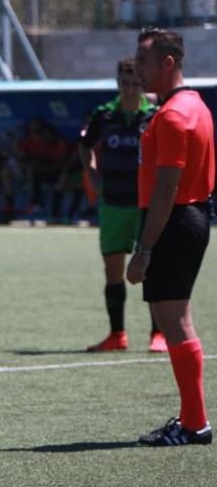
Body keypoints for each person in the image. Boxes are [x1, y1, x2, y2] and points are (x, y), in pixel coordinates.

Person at [127, 28, 214, 446]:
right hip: (189, 216)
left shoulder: (174, 116)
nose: (137, 69)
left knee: (174, 322)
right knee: (176, 320)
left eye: (143, 61)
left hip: (175, 220)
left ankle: (195, 424)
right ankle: (192, 419)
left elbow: (166, 190)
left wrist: (143, 250)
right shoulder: (193, 105)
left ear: (168, 63)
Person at [79, 59, 164, 353]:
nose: (129, 91)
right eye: (124, 84)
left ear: (143, 85)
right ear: (117, 83)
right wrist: (91, 175)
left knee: (152, 269)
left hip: (146, 205)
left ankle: (158, 334)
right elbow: (84, 144)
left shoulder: (155, 116)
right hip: (113, 203)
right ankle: (117, 334)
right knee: (112, 268)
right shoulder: (103, 115)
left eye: (135, 85)